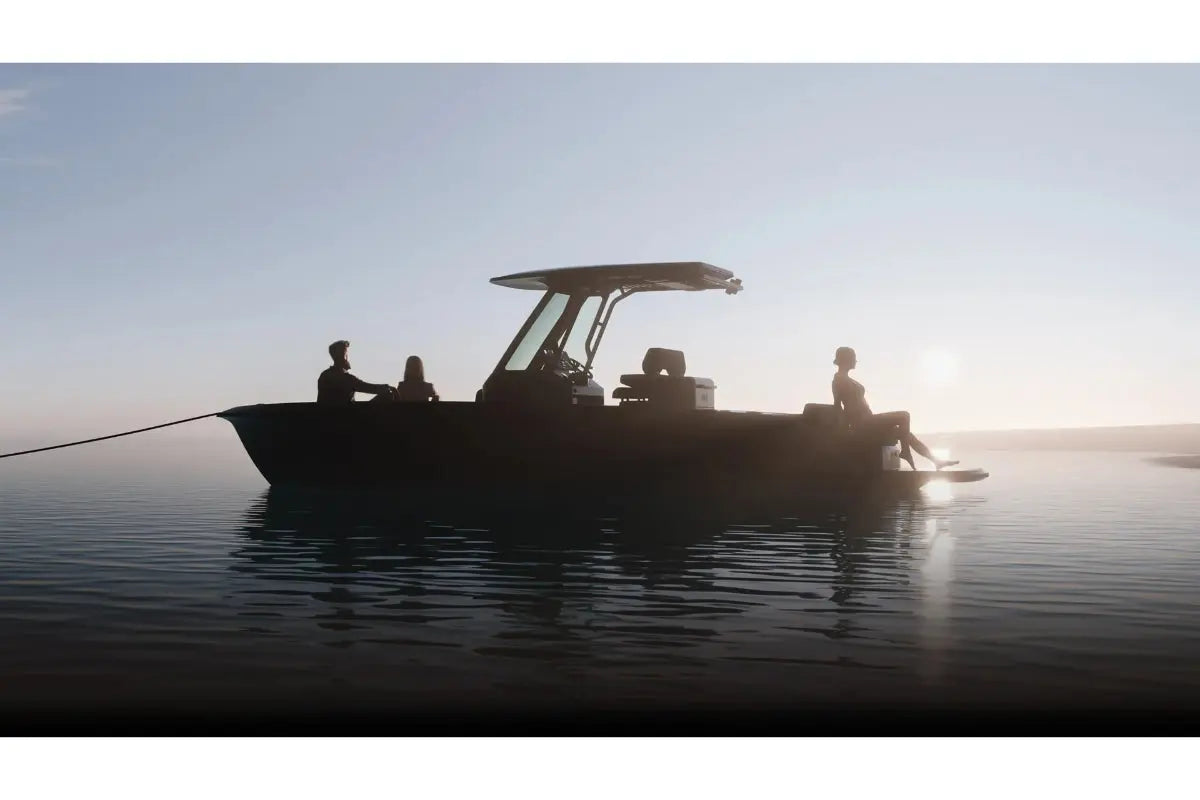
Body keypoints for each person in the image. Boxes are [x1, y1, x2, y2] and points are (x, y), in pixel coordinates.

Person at [831, 346, 958, 471]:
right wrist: (844, 429)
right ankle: (906, 453)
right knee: (904, 415)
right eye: (853, 358)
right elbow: (838, 406)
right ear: (846, 359)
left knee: (906, 434)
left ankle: (936, 461)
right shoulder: (838, 380)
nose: (855, 361)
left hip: (869, 420)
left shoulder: (848, 379)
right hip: (861, 423)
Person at [317, 340, 397, 404]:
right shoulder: (346, 378)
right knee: (388, 395)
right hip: (349, 419)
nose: (347, 357)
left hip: (326, 418)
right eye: (346, 354)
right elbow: (369, 387)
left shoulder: (324, 375)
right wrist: (388, 387)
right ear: (342, 356)